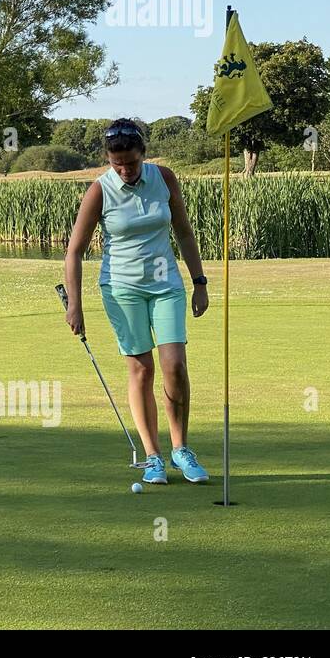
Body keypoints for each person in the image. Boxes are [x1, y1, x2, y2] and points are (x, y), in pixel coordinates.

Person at [63, 119, 211, 485]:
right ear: (109, 161)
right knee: (141, 370)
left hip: (166, 285)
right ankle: (153, 456)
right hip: (121, 289)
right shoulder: (100, 190)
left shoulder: (164, 178)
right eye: (118, 164)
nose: (126, 170)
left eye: (131, 161)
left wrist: (200, 281)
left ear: (143, 153)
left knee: (174, 365)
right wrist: (75, 304)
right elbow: (74, 252)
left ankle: (181, 449)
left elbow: (184, 231)